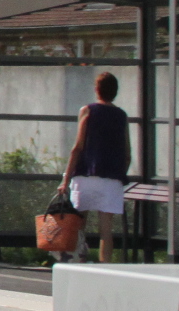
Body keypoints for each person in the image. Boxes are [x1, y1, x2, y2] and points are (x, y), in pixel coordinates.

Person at [57, 71, 132, 264]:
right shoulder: (121, 116)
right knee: (106, 231)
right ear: (115, 91)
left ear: (96, 90)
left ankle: (78, 262)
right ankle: (104, 268)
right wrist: (119, 175)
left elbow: (77, 148)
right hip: (111, 179)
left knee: (78, 225)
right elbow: (127, 153)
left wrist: (65, 180)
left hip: (85, 177)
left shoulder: (87, 111)